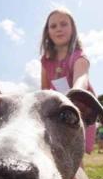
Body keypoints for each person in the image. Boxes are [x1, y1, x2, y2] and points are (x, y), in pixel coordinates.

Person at [40, 8, 97, 154]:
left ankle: (79, 177)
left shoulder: (78, 56)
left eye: (63, 24)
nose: (59, 29)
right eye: (53, 26)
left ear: (73, 29)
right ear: (47, 32)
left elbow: (81, 78)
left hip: (81, 109)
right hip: (60, 110)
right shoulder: (46, 61)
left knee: (76, 152)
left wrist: (74, 93)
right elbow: (44, 89)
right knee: (58, 149)